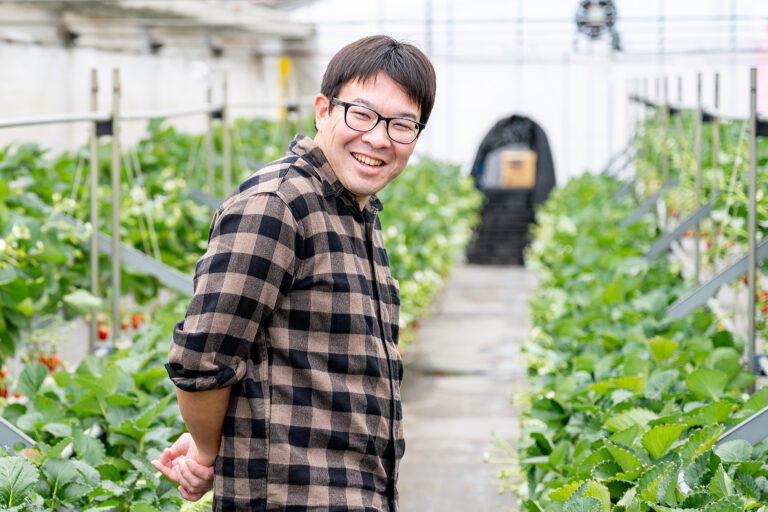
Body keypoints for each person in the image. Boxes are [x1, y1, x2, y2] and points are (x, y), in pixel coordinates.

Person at [151, 35, 436, 512]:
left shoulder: (356, 212)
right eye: (362, 114)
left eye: (402, 124)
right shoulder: (277, 205)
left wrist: (216, 440)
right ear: (323, 109)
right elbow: (202, 360)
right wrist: (205, 449)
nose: (379, 137)